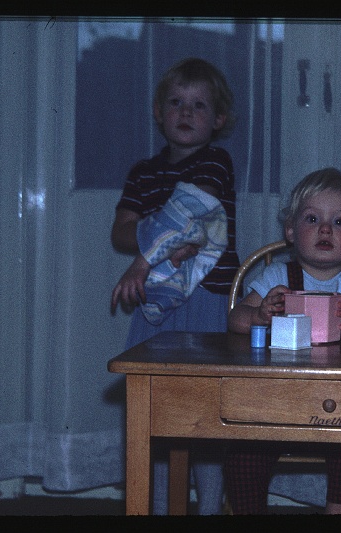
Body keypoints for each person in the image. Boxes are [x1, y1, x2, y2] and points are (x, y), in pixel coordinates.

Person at [225, 168, 341, 514]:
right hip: (276, 402)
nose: (325, 229)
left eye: (339, 222)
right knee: (244, 450)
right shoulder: (277, 276)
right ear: (290, 230)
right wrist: (260, 314)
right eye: (312, 219)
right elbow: (235, 320)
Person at [110, 57, 240, 515]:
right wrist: (158, 238)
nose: (186, 112)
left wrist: (148, 254)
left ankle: (207, 508)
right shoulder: (143, 172)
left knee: (204, 411)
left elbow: (191, 214)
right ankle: (161, 506)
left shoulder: (215, 162)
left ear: (218, 120)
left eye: (199, 105)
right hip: (159, 303)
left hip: (207, 299)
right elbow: (121, 230)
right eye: (176, 102)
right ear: (158, 112)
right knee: (156, 411)